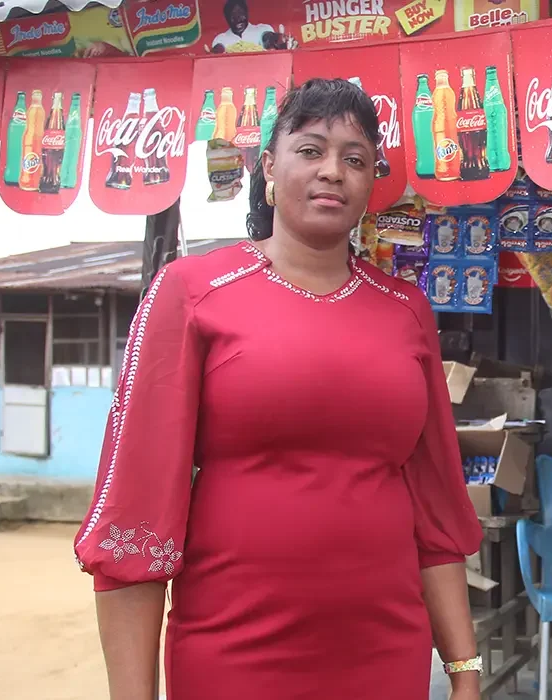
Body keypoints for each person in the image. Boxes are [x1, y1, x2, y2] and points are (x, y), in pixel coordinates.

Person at [74, 78, 484, 700]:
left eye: (354, 158)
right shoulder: (191, 293)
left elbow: (435, 510)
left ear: (372, 179)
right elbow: (137, 511)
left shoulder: (405, 309)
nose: (333, 172)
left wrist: (463, 674)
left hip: (385, 652)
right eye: (311, 150)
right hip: (234, 652)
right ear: (268, 166)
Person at [210, 0, 293, 53]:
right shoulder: (221, 38)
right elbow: (219, 49)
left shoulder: (261, 29)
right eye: (232, 15)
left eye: (240, 13)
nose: (237, 19)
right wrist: (214, 53)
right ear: (226, 18)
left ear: (246, 13)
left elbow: (268, 38)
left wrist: (278, 39)